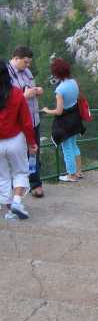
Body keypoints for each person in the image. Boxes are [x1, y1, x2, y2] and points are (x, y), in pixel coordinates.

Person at [0, 60, 37, 220]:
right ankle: (16, 202)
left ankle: (9, 210)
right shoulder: (16, 93)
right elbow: (26, 122)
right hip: (15, 140)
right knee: (20, 172)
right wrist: (32, 143)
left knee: (2, 176)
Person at [8, 46, 45, 197]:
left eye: (29, 63)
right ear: (16, 59)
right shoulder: (6, 74)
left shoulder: (27, 72)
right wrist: (24, 96)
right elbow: (6, 100)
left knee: (34, 152)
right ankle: (14, 187)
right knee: (15, 155)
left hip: (33, 119)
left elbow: (29, 89)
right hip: (17, 124)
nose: (28, 65)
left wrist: (37, 90)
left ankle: (35, 183)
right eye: (25, 62)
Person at [42, 58, 85, 182]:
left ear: (56, 73)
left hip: (65, 123)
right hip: (76, 118)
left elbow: (59, 111)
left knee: (67, 148)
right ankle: (79, 172)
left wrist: (46, 110)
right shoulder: (74, 82)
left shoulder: (60, 90)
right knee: (74, 145)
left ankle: (71, 175)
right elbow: (76, 99)